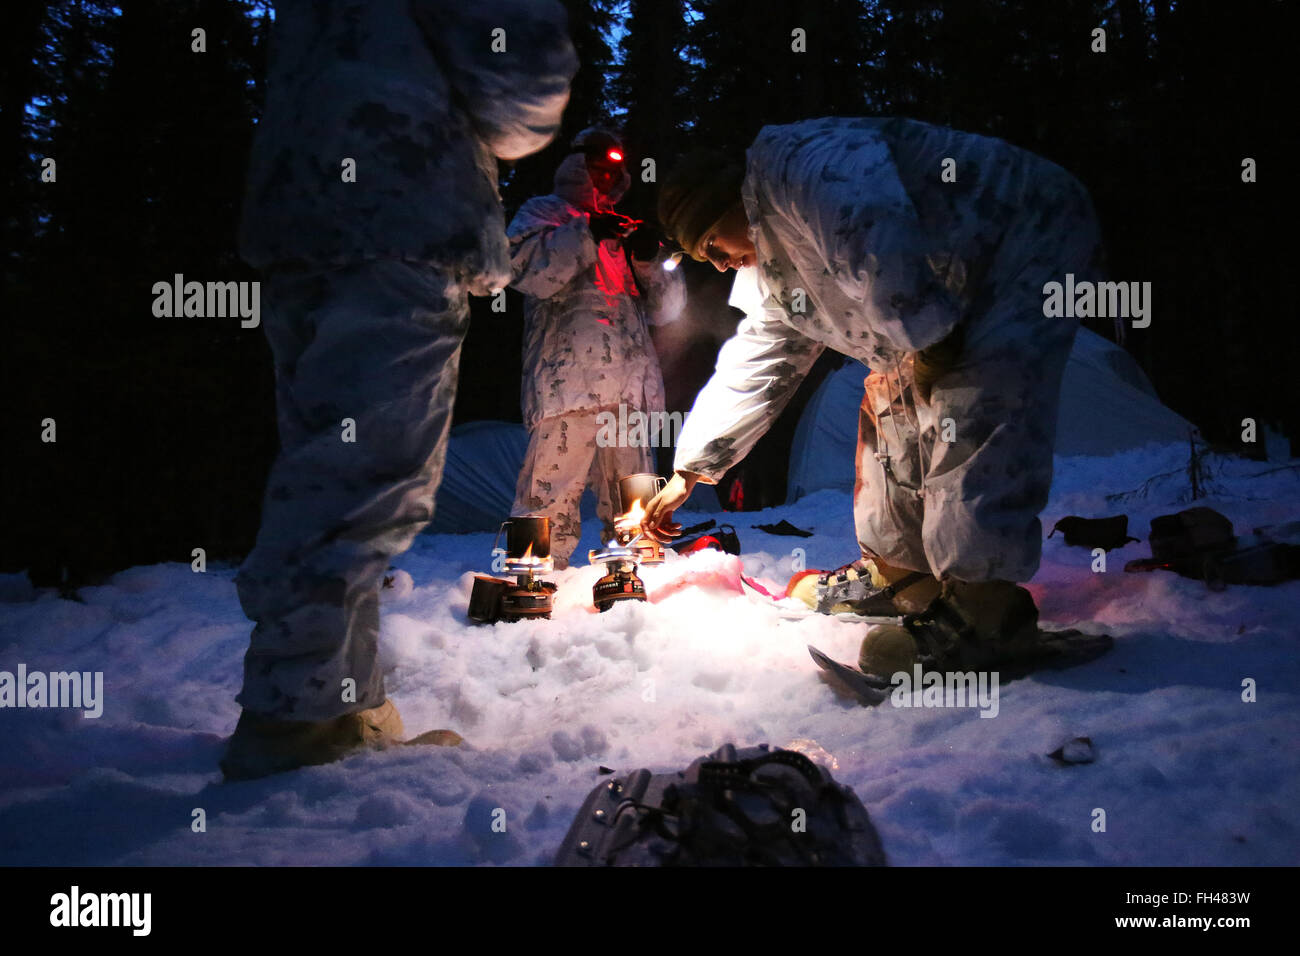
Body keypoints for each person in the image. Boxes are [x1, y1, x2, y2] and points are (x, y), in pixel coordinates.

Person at [222, 0, 577, 781]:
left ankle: (338, 700)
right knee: (369, 480)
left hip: (300, 208)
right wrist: (520, 126)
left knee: (330, 464)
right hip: (401, 207)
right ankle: (289, 716)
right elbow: (523, 70)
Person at [647, 116, 1105, 679]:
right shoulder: (776, 254)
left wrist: (928, 335)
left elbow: (877, 228)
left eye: (712, 243)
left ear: (729, 204)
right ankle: (903, 574)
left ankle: (985, 614)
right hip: (934, 282)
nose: (717, 263)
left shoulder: (802, 165)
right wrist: (690, 469)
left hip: (1018, 235)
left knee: (972, 394)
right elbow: (761, 360)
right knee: (890, 389)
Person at [507, 128, 684, 566]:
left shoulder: (625, 230)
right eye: (598, 168)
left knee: (636, 496)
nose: (607, 177)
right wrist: (585, 232)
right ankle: (529, 576)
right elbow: (524, 271)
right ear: (577, 167)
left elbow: (668, 309)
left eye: (614, 171)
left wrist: (646, 259)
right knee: (546, 493)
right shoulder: (544, 214)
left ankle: (636, 570)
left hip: (629, 391)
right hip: (568, 390)